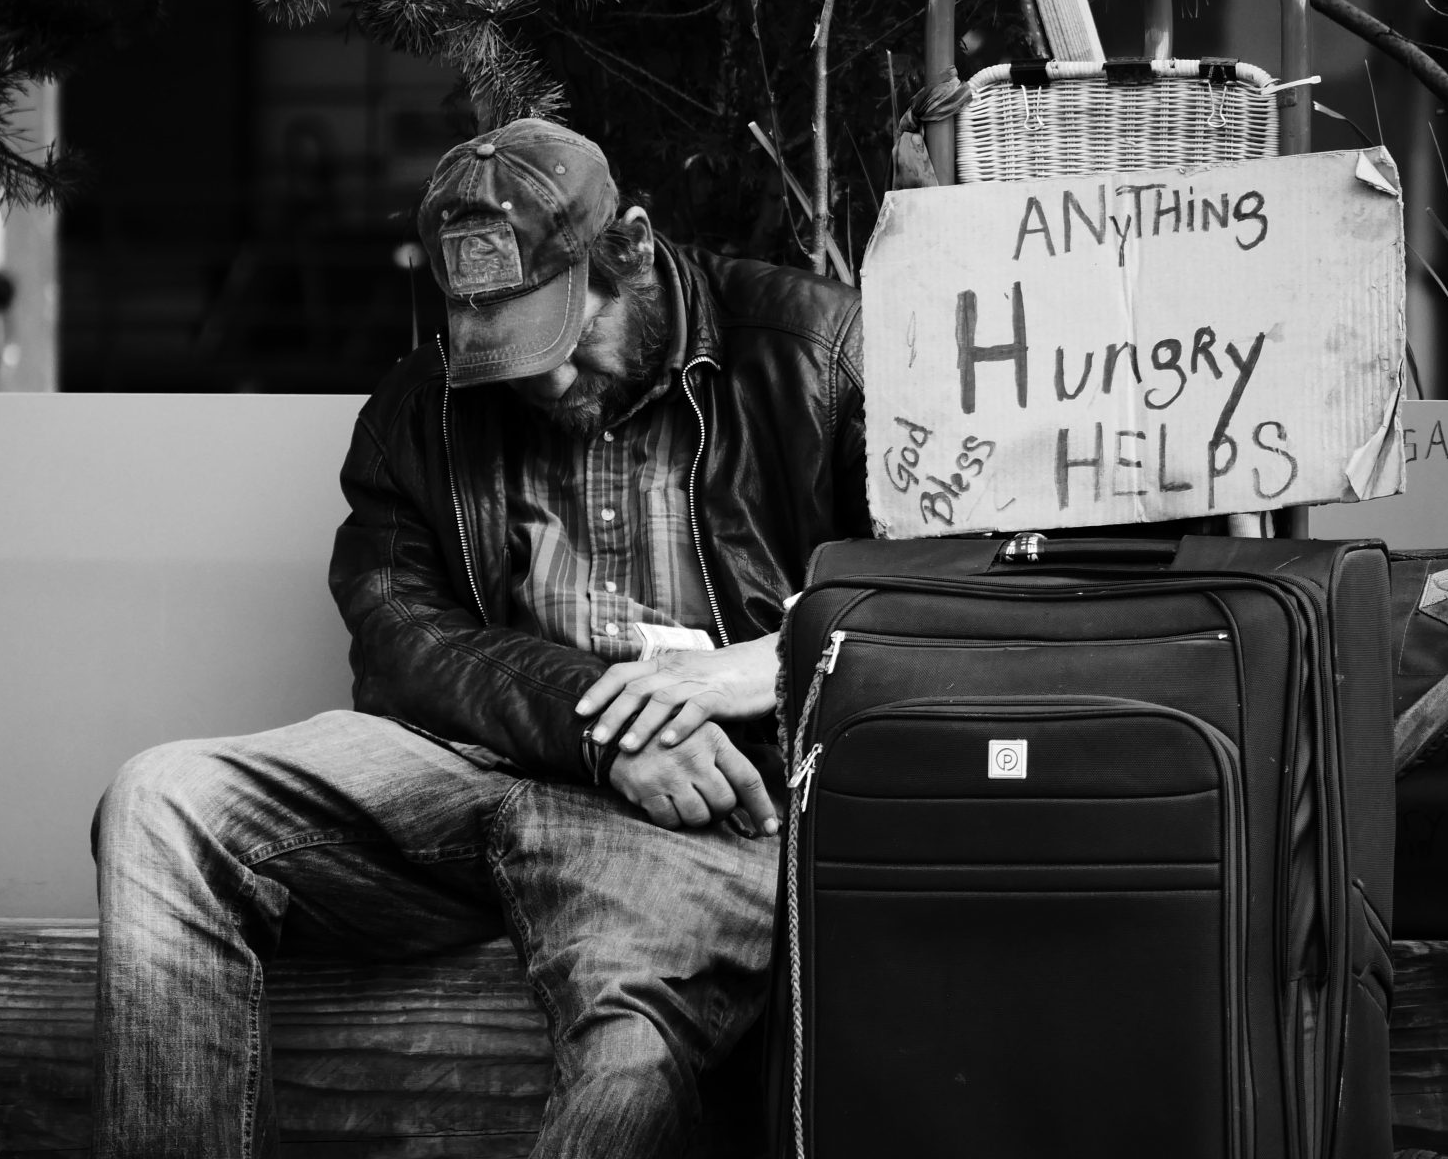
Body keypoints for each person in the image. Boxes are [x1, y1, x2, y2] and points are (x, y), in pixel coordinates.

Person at [90, 118, 868, 1159]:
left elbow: (964, 601)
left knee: (626, 1069)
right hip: (477, 774)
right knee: (161, 799)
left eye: (560, 334)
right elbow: (399, 638)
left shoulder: (817, 355)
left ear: (629, 248)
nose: (538, 381)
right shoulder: (426, 404)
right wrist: (601, 723)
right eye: (501, 348)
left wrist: (777, 658)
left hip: (701, 826)